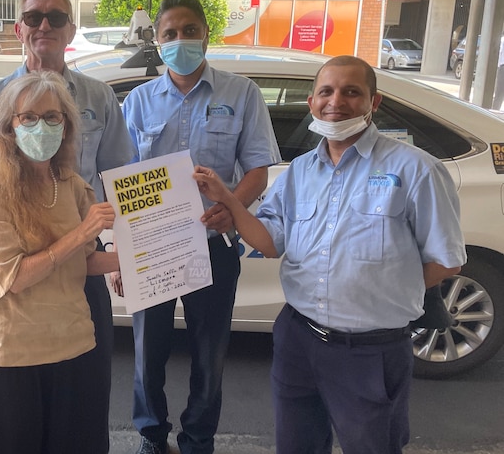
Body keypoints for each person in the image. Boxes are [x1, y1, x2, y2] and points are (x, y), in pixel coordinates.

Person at [192, 55, 466, 454]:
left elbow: (447, 259)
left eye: (352, 92)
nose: (336, 101)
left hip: (370, 350)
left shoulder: (416, 170)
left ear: (374, 102)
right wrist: (228, 202)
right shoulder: (300, 172)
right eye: (326, 91)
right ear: (312, 103)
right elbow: (270, 242)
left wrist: (379, 291)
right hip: (298, 340)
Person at [0, 0, 134, 450]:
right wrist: (86, 233)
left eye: (56, 17)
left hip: (72, 313)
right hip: (13, 332)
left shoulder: (80, 163)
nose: (45, 26)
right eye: (27, 119)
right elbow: (9, 270)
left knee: (76, 425)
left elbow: (121, 180)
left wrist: (139, 252)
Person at [120, 0, 281, 454]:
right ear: (158, 40)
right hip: (153, 248)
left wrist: (231, 207)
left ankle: (197, 439)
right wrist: (121, 253)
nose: (180, 41)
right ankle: (152, 436)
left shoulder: (241, 93)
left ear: (207, 33)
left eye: (189, 30)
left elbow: (256, 170)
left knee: (209, 356)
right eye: (169, 34)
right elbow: (126, 181)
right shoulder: (138, 101)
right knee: (147, 353)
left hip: (213, 245)